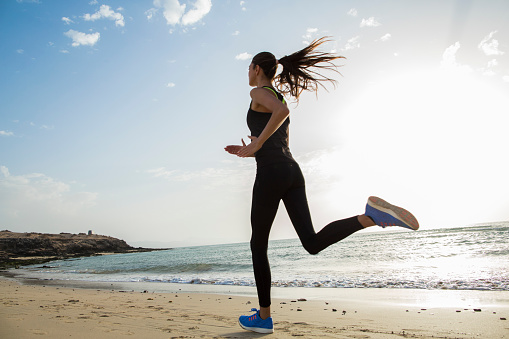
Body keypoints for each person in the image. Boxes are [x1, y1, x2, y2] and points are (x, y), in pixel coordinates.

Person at [224, 37, 419, 334]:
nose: (247, 73)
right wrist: (250, 147)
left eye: (248, 68)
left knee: (257, 244)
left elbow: (282, 115)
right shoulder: (276, 94)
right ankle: (371, 217)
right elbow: (280, 138)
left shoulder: (258, 92)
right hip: (291, 170)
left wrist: (258, 144)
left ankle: (263, 317)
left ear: (255, 68)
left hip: (273, 172)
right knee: (311, 243)